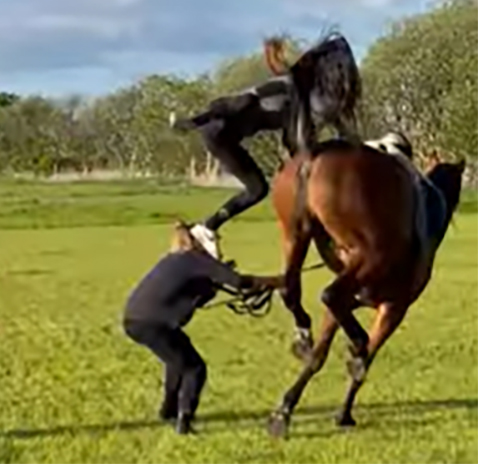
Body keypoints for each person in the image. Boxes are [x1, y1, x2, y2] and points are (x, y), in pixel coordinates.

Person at [169, 32, 361, 258]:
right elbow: (234, 103)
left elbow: (295, 139)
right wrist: (193, 122)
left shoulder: (298, 98)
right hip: (217, 135)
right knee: (256, 189)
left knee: (258, 189)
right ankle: (207, 228)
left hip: (222, 136)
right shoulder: (284, 89)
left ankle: (207, 228)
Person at [121, 220, 278, 434]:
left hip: (134, 320)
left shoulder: (178, 258)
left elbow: (198, 293)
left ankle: (168, 411)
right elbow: (240, 282)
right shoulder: (197, 259)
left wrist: (213, 283)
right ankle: (184, 420)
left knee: (176, 361)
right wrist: (279, 281)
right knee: (195, 368)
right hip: (154, 323)